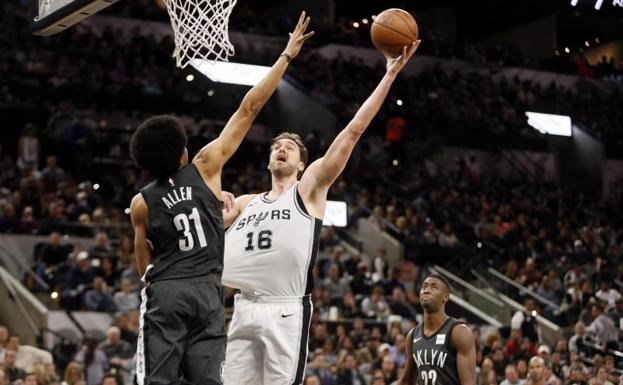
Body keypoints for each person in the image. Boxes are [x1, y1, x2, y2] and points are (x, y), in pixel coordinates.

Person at [128, 11, 314, 385]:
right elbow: (250, 107)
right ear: (182, 152)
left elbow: (143, 268)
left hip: (167, 290)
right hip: (208, 295)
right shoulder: (205, 167)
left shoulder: (141, 202)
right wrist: (287, 55)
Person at [220, 37, 420, 384]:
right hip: (243, 306)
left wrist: (388, 76)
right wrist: (214, 205)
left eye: (289, 148)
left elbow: (354, 131)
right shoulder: (244, 202)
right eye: (277, 146)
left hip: (285, 308)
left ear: (301, 164)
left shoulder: (308, 189)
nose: (281, 150)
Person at [396, 274, 476, 385]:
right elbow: (406, 381)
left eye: (433, 287)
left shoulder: (458, 332)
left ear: (445, 297)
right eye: (424, 287)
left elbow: (468, 383)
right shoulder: (412, 335)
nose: (426, 290)